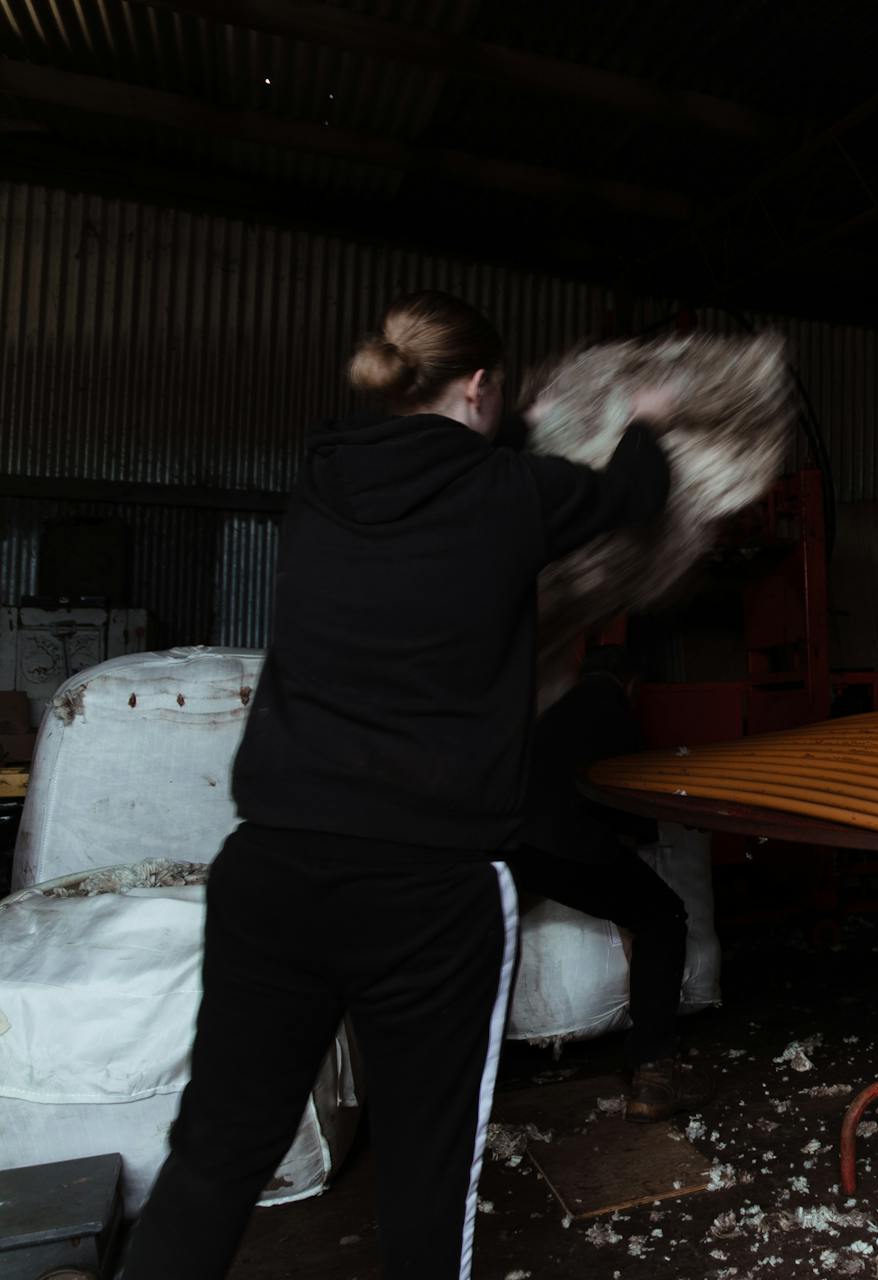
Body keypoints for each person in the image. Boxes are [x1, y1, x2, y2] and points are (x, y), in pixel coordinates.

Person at [122, 291, 672, 1280]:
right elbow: (631, 495)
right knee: (428, 1172)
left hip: (273, 865)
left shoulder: (320, 486)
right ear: (476, 387)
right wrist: (647, 417)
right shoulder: (508, 493)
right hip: (427, 886)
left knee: (214, 1152)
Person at [508, 643, 710, 1122]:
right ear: (633, 683)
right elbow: (626, 800)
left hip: (505, 840)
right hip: (559, 841)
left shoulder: (554, 704)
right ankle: (655, 1071)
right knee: (664, 916)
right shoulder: (610, 705)